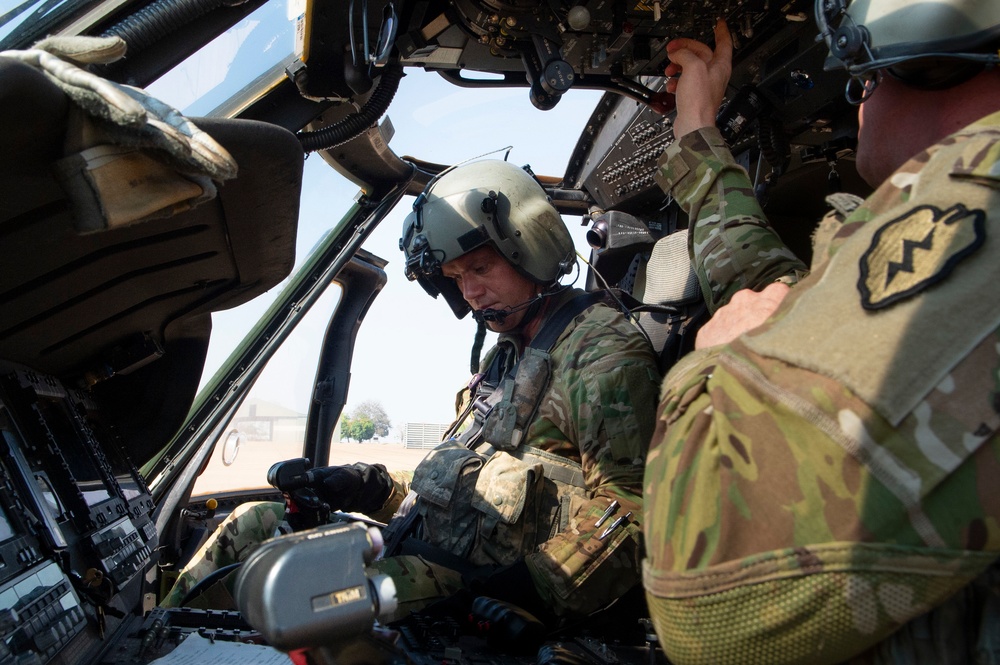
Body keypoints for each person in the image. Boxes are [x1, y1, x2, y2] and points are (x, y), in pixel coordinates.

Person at [642, 1, 1000, 664]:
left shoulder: (980, 199)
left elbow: (708, 602)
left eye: (864, 80)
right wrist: (699, 134)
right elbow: (785, 305)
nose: (857, 105)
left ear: (932, 61)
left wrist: (718, 359)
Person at [165, 159, 662, 628]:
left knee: (302, 594)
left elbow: (632, 510)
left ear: (528, 245)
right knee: (252, 525)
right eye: (456, 278)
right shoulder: (510, 354)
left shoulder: (602, 354)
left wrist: (523, 590)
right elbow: (463, 486)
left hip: (479, 586)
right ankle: (154, 639)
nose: (469, 293)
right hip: (417, 552)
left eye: (480, 269)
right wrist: (373, 487)